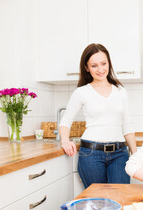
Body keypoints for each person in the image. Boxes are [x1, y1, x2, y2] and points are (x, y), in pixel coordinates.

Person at [59, 43, 137, 188]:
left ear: (109, 63)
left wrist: (136, 155)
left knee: (119, 198)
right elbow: (65, 121)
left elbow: (127, 125)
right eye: (94, 65)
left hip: (120, 154)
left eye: (103, 63)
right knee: (97, 202)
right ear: (87, 68)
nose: (100, 69)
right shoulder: (81, 92)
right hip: (91, 154)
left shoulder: (120, 91)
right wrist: (65, 140)